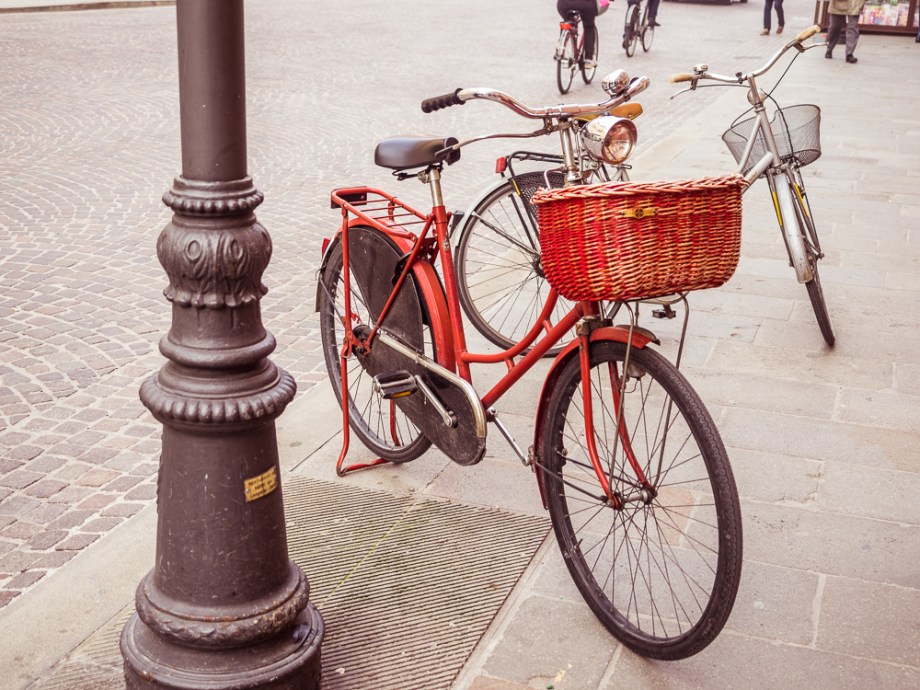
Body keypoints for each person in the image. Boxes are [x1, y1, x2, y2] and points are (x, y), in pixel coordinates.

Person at [557, 0, 599, 68]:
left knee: (568, 23)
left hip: (564, 4)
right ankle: (588, 59)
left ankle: (562, 46)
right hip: (586, 5)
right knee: (589, 26)